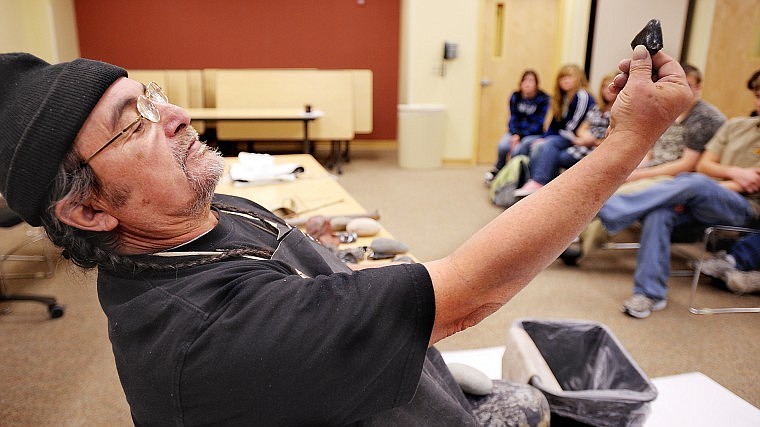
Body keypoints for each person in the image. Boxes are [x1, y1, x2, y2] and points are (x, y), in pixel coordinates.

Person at [0, 46, 692, 425]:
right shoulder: (206, 336)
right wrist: (626, 143)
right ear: (89, 212)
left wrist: (315, 241)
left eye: (149, 95)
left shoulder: (188, 214)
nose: (173, 113)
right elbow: (471, 293)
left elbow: (274, 257)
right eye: (135, 121)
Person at [596, 97, 760, 318]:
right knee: (659, 212)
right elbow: (704, 165)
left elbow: (748, 185)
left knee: (695, 182)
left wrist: (701, 188)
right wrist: (734, 173)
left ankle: (605, 208)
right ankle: (650, 294)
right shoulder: (736, 126)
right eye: (758, 96)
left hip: (744, 210)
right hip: (702, 201)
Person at [561, 63, 726, 263]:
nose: (684, 90)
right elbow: (651, 150)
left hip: (674, 178)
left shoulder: (705, 118)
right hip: (653, 167)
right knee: (604, 181)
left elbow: (687, 165)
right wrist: (627, 170)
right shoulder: (670, 108)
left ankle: (577, 244)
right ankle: (572, 240)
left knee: (614, 194)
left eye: (689, 85)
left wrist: (638, 175)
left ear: (699, 87)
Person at [514, 72, 616, 196]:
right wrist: (584, 137)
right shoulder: (597, 108)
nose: (607, 90)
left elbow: (615, 139)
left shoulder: (614, 109)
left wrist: (592, 140)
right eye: (604, 86)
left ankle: (541, 185)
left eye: (611, 86)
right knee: (535, 145)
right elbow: (581, 128)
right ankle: (528, 183)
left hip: (594, 147)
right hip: (581, 142)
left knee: (549, 150)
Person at [483, 70, 550, 184]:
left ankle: (514, 176)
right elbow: (513, 118)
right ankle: (499, 170)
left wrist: (520, 136)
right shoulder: (515, 96)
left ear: (536, 84)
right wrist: (515, 134)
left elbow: (538, 123)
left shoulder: (543, 99)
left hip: (533, 134)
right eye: (525, 80)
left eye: (531, 81)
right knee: (503, 146)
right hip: (515, 132)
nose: (527, 84)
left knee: (518, 150)